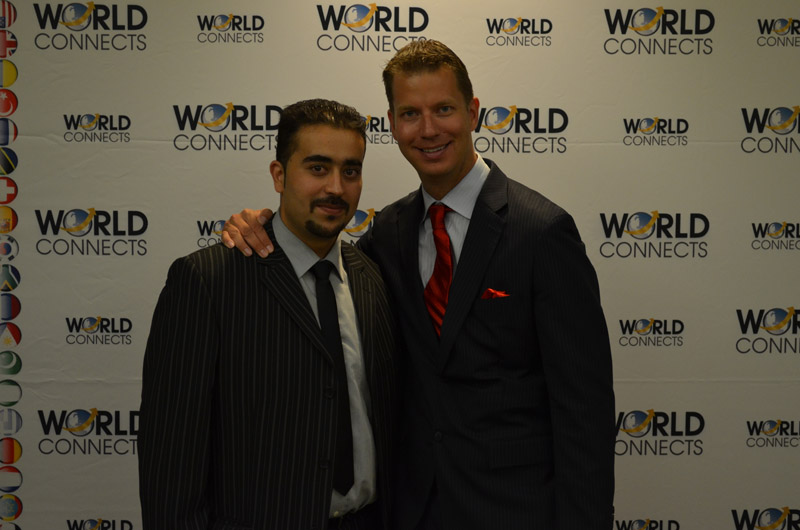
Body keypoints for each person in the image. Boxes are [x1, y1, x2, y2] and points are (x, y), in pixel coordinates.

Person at [222, 41, 615, 530]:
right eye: (410, 113)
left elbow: (584, 411)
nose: (428, 130)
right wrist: (259, 223)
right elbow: (315, 249)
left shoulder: (542, 233)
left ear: (473, 112)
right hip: (409, 511)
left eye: (443, 109)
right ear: (391, 123)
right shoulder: (388, 233)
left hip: (514, 511)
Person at [138, 99, 398, 530]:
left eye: (351, 171)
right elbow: (171, 460)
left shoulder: (372, 277)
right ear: (279, 175)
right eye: (318, 168)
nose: (336, 187)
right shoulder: (209, 281)